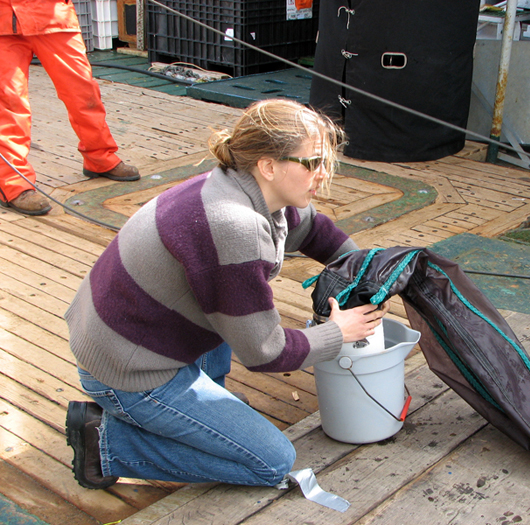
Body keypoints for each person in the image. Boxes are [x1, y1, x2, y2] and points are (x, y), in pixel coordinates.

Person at [64, 99, 389, 490]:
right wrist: (339, 332)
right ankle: (105, 442)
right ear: (268, 165)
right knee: (270, 462)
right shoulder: (235, 226)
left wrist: (362, 269)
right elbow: (265, 351)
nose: (322, 174)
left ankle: (205, 404)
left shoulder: (245, 185)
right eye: (312, 163)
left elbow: (314, 230)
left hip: (132, 332)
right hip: (129, 370)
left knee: (229, 303)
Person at [0, 0, 140, 216]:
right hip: (3, 21)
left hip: (52, 15)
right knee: (9, 101)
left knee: (83, 91)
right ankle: (13, 183)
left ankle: (100, 157)